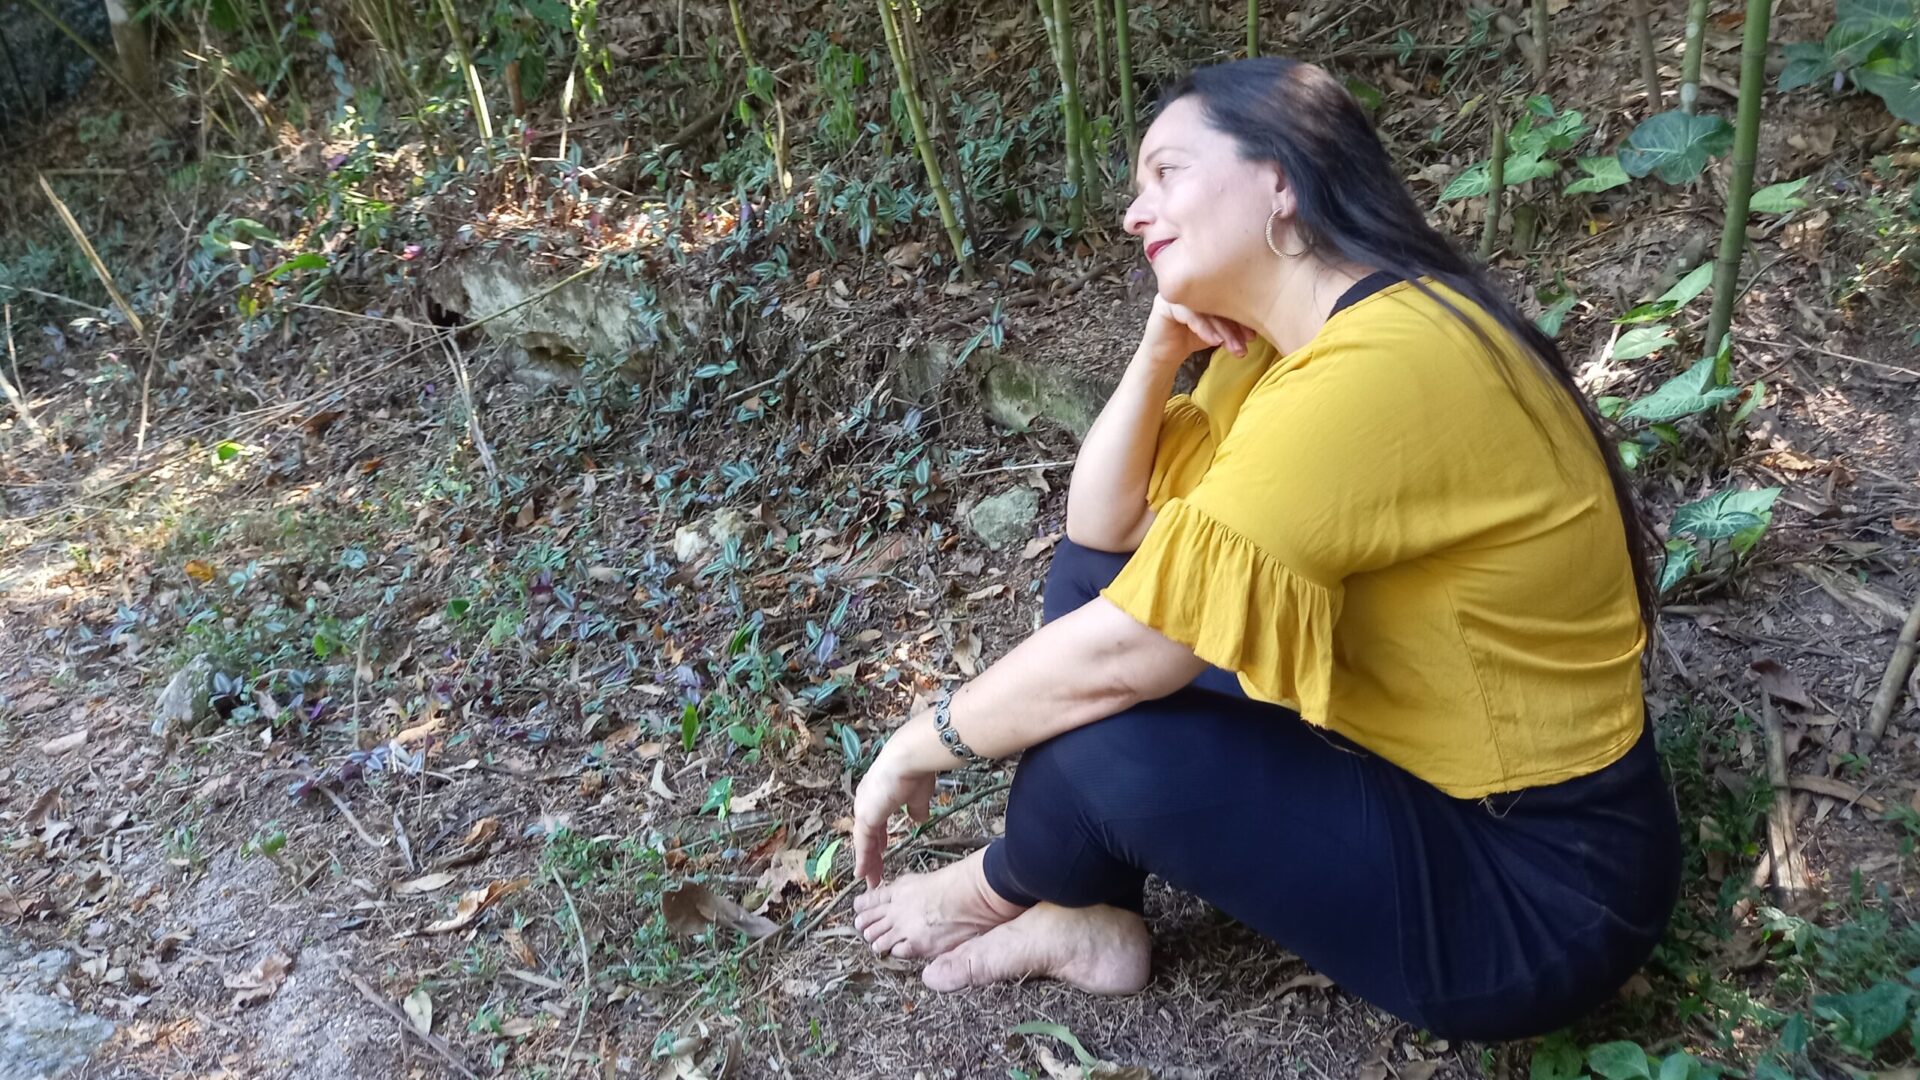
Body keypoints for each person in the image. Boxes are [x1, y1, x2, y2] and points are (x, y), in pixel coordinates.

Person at [846, 56, 1681, 1042]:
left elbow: (1131, 653)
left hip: (1539, 893)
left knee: (1104, 734)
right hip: (1421, 769)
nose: (1134, 213)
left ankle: (1003, 886)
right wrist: (1160, 349)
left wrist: (922, 739)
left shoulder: (1383, 367)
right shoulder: (1303, 341)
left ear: (1280, 178)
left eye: (1167, 172)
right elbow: (1102, 531)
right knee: (1100, 587)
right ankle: (1090, 914)